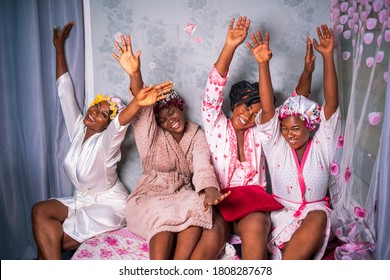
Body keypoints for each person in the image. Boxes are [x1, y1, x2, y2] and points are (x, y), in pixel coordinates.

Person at [31, 22, 173, 260]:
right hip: (81, 200)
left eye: (103, 114)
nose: (95, 112)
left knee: (48, 241)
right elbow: (64, 92)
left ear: (107, 124)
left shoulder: (107, 144)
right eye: (96, 106)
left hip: (109, 207)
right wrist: (58, 47)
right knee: (40, 211)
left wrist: (137, 101)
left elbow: (121, 124)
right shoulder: (78, 128)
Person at [191, 17, 316, 260]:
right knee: (210, 237)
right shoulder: (215, 124)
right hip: (219, 199)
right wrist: (230, 46)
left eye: (255, 113)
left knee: (258, 227)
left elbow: (295, 104)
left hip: (253, 202)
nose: (247, 115)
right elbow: (213, 90)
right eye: (245, 107)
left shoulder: (261, 132)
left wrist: (308, 72)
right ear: (235, 104)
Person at [111, 34, 229, 260]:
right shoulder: (151, 133)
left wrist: (209, 189)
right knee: (163, 220)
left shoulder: (195, 134)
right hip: (149, 196)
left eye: (172, 112)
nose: (169, 121)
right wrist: (135, 74)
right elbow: (144, 110)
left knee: (198, 205)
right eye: (162, 119)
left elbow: (203, 165)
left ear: (179, 107)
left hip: (180, 193)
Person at [246, 24, 340, 259]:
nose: (289, 134)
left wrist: (328, 57)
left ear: (310, 127)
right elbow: (268, 109)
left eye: (296, 129)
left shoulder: (322, 143)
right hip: (281, 215)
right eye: (285, 128)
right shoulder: (276, 145)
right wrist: (263, 64)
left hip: (313, 215)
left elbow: (331, 105)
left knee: (319, 215)